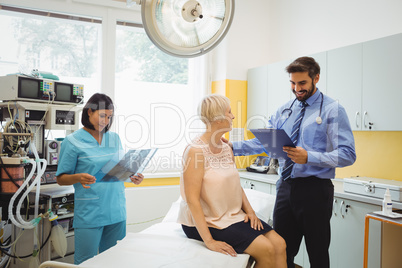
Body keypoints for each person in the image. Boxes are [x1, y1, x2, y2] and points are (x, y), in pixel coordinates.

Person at [227, 57, 356, 268]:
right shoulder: (284, 110)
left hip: (315, 190)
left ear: (316, 78)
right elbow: (265, 143)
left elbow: (348, 154)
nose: (297, 89)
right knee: (281, 251)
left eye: (302, 83)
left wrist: (310, 157)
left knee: (318, 253)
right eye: (293, 83)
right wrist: (232, 147)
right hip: (286, 189)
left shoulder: (333, 110)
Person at [177, 94, 287, 268]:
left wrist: (250, 211)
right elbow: (192, 200)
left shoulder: (226, 147)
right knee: (266, 249)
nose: (233, 116)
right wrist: (210, 241)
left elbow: (235, 186)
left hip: (231, 216)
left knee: (280, 244)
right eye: (229, 112)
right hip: (206, 220)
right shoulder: (195, 151)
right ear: (217, 119)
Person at [56, 93, 144, 264]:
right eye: (102, 116)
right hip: (91, 212)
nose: (106, 121)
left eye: (109, 117)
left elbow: (117, 170)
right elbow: (61, 178)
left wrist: (132, 176)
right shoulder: (72, 142)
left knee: (114, 261)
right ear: (89, 112)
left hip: (116, 210)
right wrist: (78, 177)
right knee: (85, 261)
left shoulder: (114, 138)